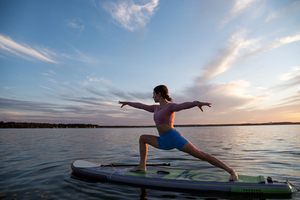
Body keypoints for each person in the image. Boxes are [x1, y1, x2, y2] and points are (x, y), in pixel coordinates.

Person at [119, 85, 238, 181]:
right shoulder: (155, 108)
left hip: (174, 138)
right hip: (163, 140)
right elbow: (141, 106)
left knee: (200, 155)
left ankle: (231, 171)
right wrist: (128, 103)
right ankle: (142, 166)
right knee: (142, 138)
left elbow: (183, 106)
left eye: (154, 94)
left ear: (159, 94)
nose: (152, 96)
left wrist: (196, 103)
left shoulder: (170, 107)